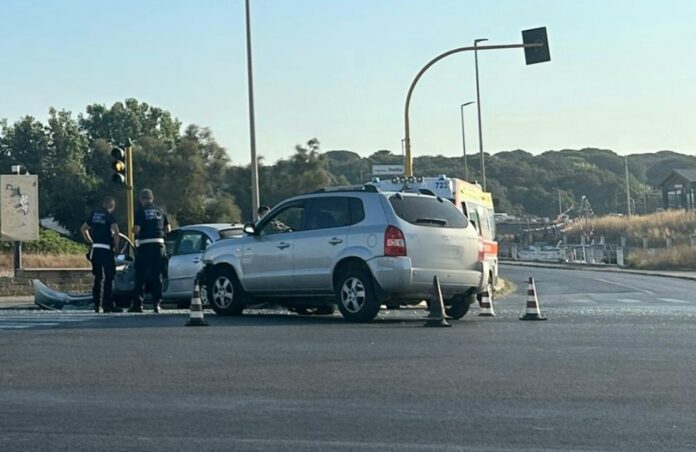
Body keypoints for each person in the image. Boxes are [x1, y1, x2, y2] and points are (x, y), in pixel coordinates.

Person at [131, 189, 170, 313]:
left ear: (142, 199)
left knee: (140, 275)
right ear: (152, 198)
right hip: (159, 245)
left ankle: (138, 304)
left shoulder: (141, 211)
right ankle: (157, 304)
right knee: (156, 275)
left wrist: (136, 231)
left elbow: (136, 229)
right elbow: (168, 229)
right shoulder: (161, 211)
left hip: (145, 245)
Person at [80, 196, 120, 313]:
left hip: (96, 250)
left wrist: (90, 241)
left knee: (98, 278)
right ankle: (107, 305)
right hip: (106, 250)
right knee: (108, 277)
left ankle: (97, 305)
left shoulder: (94, 214)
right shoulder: (109, 216)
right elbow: (116, 231)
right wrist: (116, 245)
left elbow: (83, 229)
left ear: (103, 204)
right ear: (112, 206)